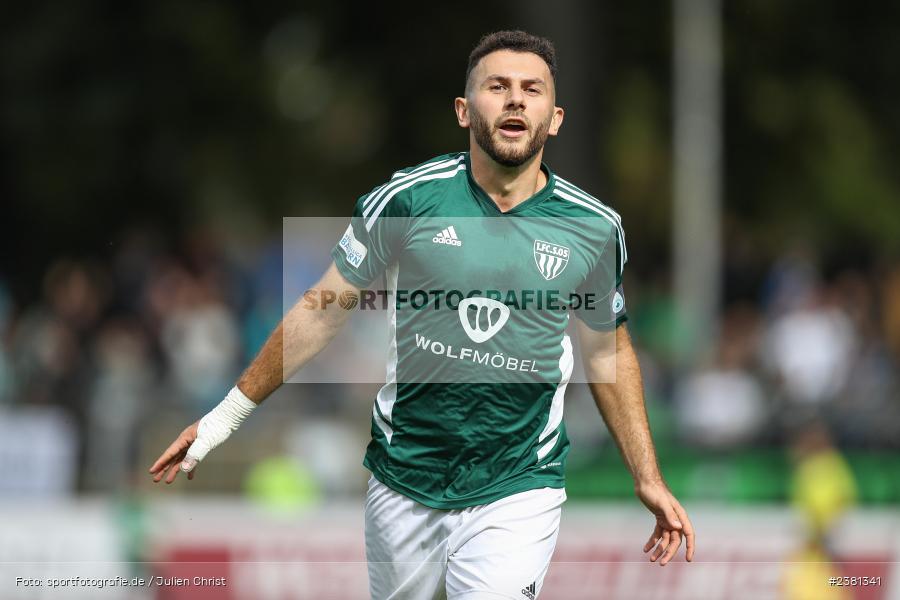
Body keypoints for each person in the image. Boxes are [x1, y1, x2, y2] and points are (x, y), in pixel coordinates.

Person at [150, 30, 695, 599]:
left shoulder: (593, 227)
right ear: (464, 110)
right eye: (497, 86)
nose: (514, 100)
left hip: (518, 481)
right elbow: (323, 311)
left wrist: (648, 477)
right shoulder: (410, 199)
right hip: (404, 474)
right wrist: (223, 419)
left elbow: (607, 348)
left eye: (531, 90)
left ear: (554, 118)